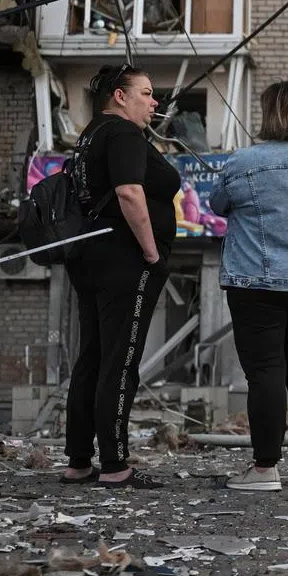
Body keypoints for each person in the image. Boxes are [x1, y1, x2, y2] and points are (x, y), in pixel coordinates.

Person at [209, 81, 288, 492]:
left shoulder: (243, 162)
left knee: (266, 372)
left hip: (257, 283)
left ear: (269, 115)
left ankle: (265, 468)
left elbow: (216, 205)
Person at [61, 64, 179, 489]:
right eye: (146, 93)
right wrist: (151, 253)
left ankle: (78, 460)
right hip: (124, 259)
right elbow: (130, 192)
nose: (154, 102)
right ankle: (114, 464)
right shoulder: (124, 133)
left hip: (90, 256)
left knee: (93, 356)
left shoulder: (90, 134)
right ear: (119, 95)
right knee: (121, 359)